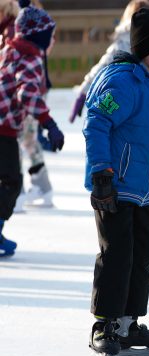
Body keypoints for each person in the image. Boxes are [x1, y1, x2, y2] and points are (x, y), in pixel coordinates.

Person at [82, 7, 149, 356]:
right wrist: (102, 172)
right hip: (114, 185)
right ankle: (103, 324)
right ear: (142, 48)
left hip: (140, 189)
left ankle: (127, 324)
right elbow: (96, 123)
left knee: (141, 255)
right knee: (117, 254)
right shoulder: (123, 80)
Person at [0, 0, 64, 256]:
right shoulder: (30, 57)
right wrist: (49, 123)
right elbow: (28, 93)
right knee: (11, 182)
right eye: (50, 36)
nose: (52, 42)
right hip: (3, 128)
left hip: (4, 125)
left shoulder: (9, 49)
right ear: (39, 37)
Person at [69, 0, 149, 124]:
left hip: (123, 96)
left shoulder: (123, 39)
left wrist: (84, 91)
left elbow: (103, 66)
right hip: (147, 99)